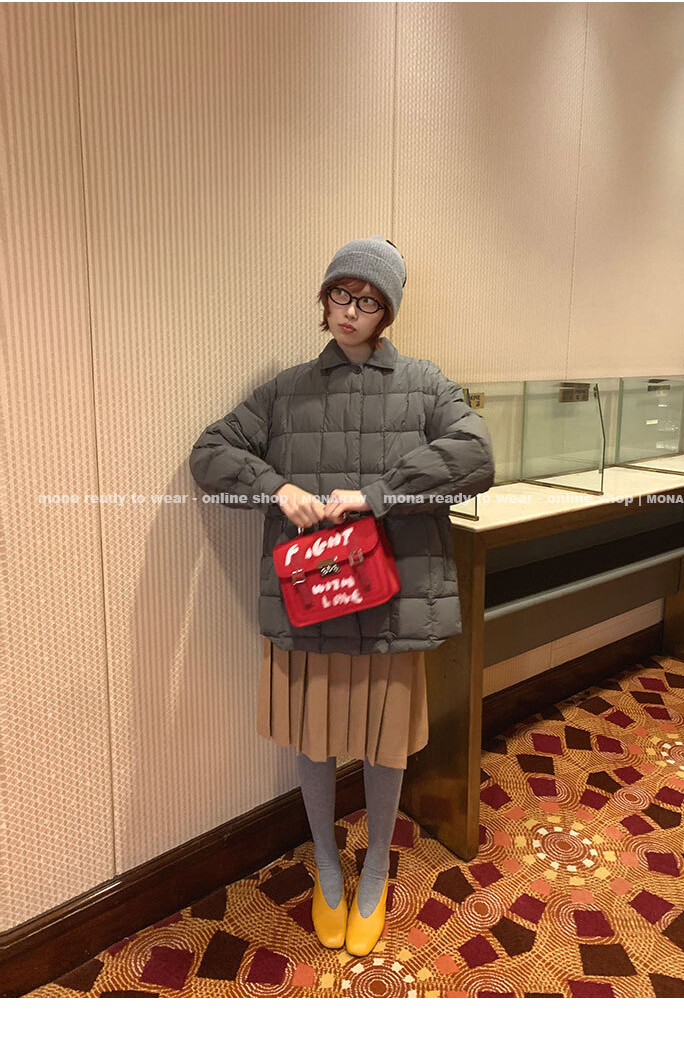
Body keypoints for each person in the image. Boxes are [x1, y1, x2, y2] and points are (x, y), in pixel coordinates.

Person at [189, 236, 495, 956]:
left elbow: (476, 454)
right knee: (314, 737)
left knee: (387, 742)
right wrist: (277, 489)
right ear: (324, 299)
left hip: (390, 598)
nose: (351, 310)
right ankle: (326, 863)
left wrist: (379, 494)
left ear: (388, 313)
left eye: (369, 301)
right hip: (313, 600)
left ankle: (377, 865)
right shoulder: (285, 390)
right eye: (341, 294)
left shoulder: (424, 383)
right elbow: (210, 453)